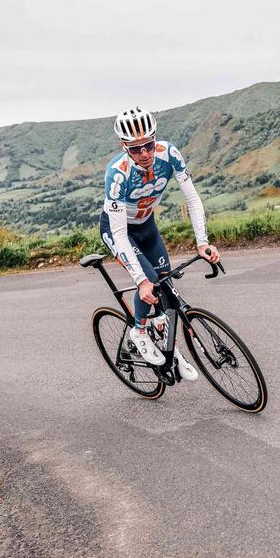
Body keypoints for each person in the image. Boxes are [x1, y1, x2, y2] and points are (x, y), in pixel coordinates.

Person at [99, 107, 220, 380]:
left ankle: (172, 351)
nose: (144, 153)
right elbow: (119, 235)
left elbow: (192, 199)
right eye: (135, 148)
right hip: (119, 231)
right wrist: (141, 281)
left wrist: (202, 243)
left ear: (155, 140)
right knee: (151, 282)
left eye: (148, 145)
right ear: (124, 147)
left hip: (147, 228)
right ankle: (139, 330)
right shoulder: (117, 174)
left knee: (167, 289)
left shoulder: (169, 154)